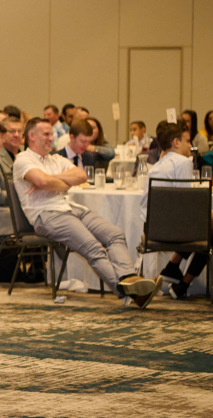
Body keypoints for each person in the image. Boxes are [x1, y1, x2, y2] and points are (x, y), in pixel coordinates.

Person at [13, 118, 160, 307]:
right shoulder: (23, 159)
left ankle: (128, 278)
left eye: (51, 134)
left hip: (71, 208)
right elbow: (42, 182)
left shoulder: (55, 159)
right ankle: (129, 293)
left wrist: (52, 179)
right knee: (93, 247)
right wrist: (58, 182)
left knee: (115, 234)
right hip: (47, 215)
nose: (51, 138)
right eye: (46, 134)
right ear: (31, 136)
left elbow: (81, 175)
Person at [141, 122, 209, 300]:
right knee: (210, 230)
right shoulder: (183, 162)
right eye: (187, 141)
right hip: (171, 231)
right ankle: (182, 283)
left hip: (153, 229)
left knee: (207, 226)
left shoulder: (159, 165)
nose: (191, 146)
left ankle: (173, 270)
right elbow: (184, 204)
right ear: (176, 143)